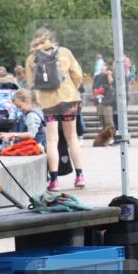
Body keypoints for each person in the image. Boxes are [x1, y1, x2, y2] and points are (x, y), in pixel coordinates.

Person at [24, 28, 86, 190]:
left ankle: (54, 180)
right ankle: (79, 176)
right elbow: (78, 74)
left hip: (48, 102)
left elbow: (31, 84)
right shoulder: (65, 52)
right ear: (52, 39)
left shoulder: (31, 58)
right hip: (69, 99)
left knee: (52, 141)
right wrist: (72, 88)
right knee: (72, 137)